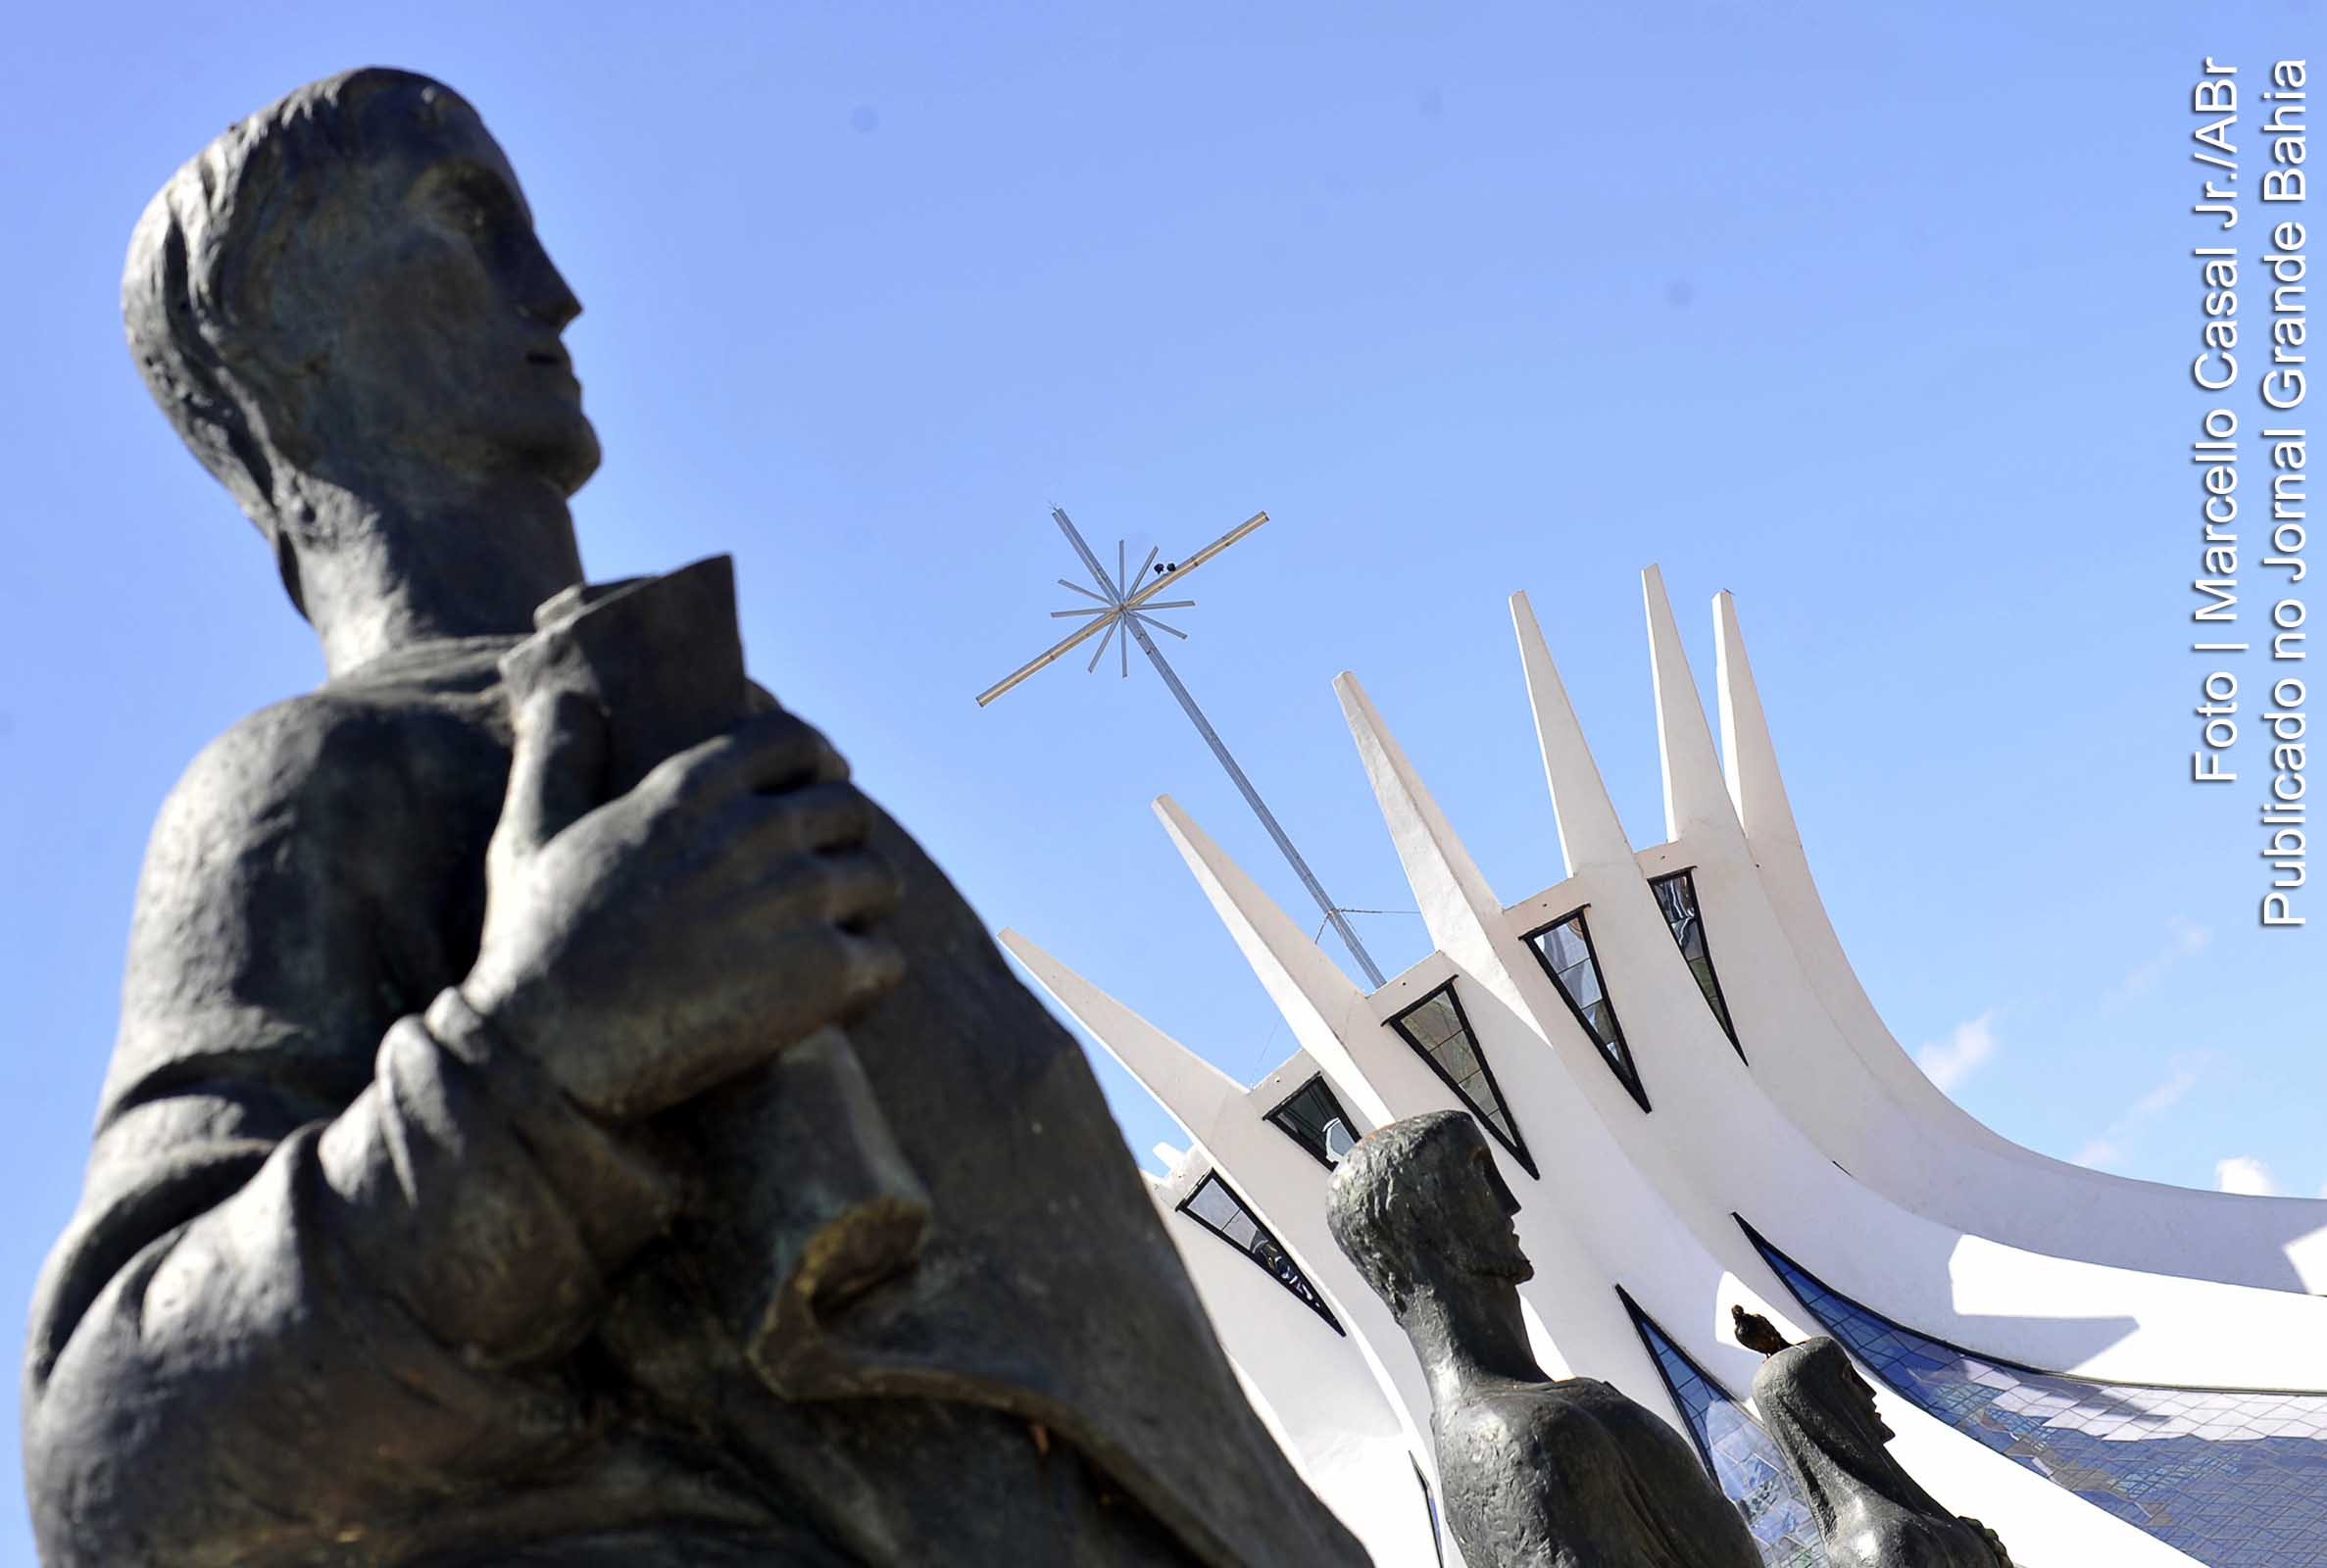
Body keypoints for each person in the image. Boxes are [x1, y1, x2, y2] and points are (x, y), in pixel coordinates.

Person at [24, 69, 1368, 1568]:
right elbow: (116, 1458)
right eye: (466, 221)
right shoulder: (313, 787)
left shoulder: (694, 731)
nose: (558, 293)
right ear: (286, 327)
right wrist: (543, 1057)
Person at [1327, 1111, 1764, 1567]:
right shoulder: (1513, 1439)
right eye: (1478, 1175)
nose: (1509, 1202)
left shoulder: (1537, 1416)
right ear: (1420, 1223)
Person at [1749, 1336, 2012, 1568]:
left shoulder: (1899, 1517)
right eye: (1848, 1378)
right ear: (1822, 1405)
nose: (1870, 1391)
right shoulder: (1880, 1540)